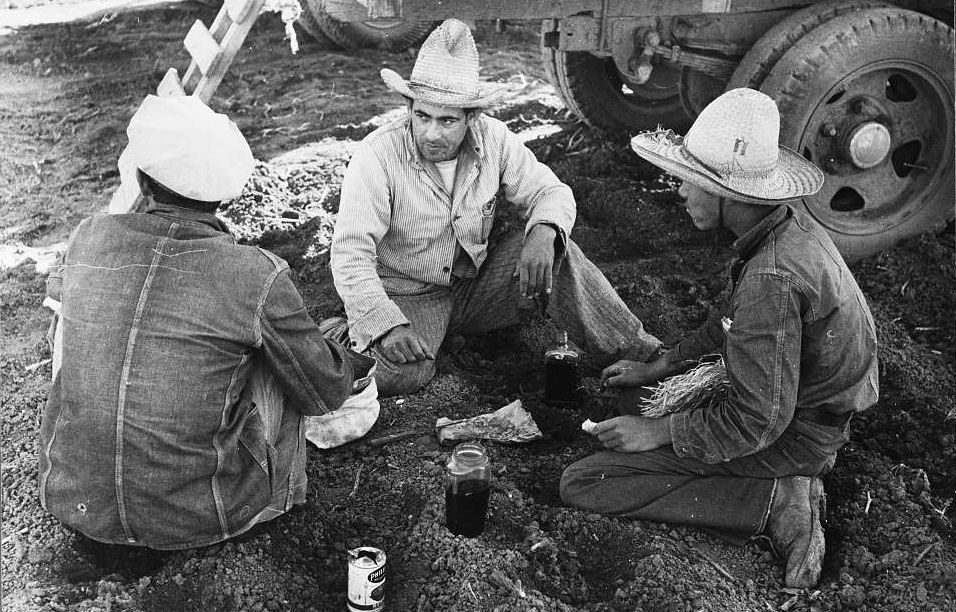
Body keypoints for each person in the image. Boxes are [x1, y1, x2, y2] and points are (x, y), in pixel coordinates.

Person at [560, 88, 879, 588]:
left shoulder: (769, 280)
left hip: (796, 434)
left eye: (691, 181)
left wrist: (662, 432)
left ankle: (774, 500)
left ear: (731, 194)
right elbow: (726, 321)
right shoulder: (779, 233)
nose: (681, 191)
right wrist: (661, 366)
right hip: (793, 408)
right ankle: (768, 483)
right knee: (631, 399)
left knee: (586, 481)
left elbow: (759, 420)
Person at [39, 95, 374, 550]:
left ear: (141, 180)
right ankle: (279, 503)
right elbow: (322, 392)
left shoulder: (89, 236)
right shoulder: (256, 272)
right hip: (194, 521)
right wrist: (350, 361)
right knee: (277, 362)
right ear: (221, 197)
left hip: (73, 500)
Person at [329, 19, 661, 396]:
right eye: (421, 116)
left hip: (475, 286)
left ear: (473, 117)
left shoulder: (494, 138)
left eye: (447, 120)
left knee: (558, 253)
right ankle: (342, 332)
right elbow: (350, 254)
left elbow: (550, 190)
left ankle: (649, 357)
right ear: (409, 105)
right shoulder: (377, 156)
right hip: (407, 294)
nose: (431, 133)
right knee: (402, 375)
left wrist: (544, 232)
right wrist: (385, 324)